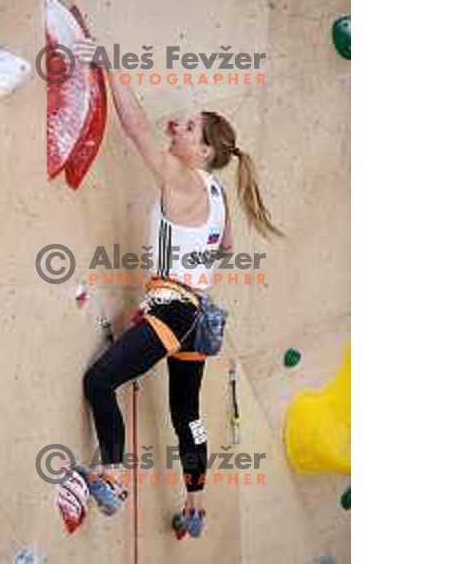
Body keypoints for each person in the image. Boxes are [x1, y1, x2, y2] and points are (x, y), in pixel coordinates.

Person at [68, 38, 282, 538]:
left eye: (188, 128)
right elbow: (225, 245)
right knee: (186, 411)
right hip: (193, 314)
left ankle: (113, 479)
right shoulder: (215, 191)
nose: (177, 130)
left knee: (100, 382)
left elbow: (136, 127)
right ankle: (196, 505)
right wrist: (186, 266)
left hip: (174, 311)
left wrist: (110, 63)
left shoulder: (183, 178)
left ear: (204, 150)